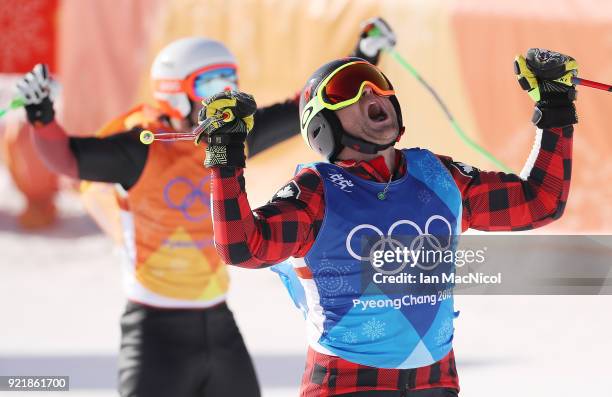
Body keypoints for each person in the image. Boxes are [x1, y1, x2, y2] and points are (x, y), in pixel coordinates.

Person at [14, 18, 396, 397]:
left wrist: (360, 58)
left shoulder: (232, 138)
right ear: (174, 92)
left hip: (218, 324)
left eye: (230, 81)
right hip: (154, 329)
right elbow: (66, 157)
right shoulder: (140, 149)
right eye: (210, 84)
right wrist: (42, 117)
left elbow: (302, 108)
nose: (224, 94)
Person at [194, 48, 577, 396]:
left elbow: (540, 201)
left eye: (377, 85)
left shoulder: (440, 176)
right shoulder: (317, 191)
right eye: (348, 90)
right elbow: (243, 246)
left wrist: (556, 106)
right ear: (321, 124)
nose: (371, 95)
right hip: (347, 384)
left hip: (435, 382)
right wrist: (225, 154)